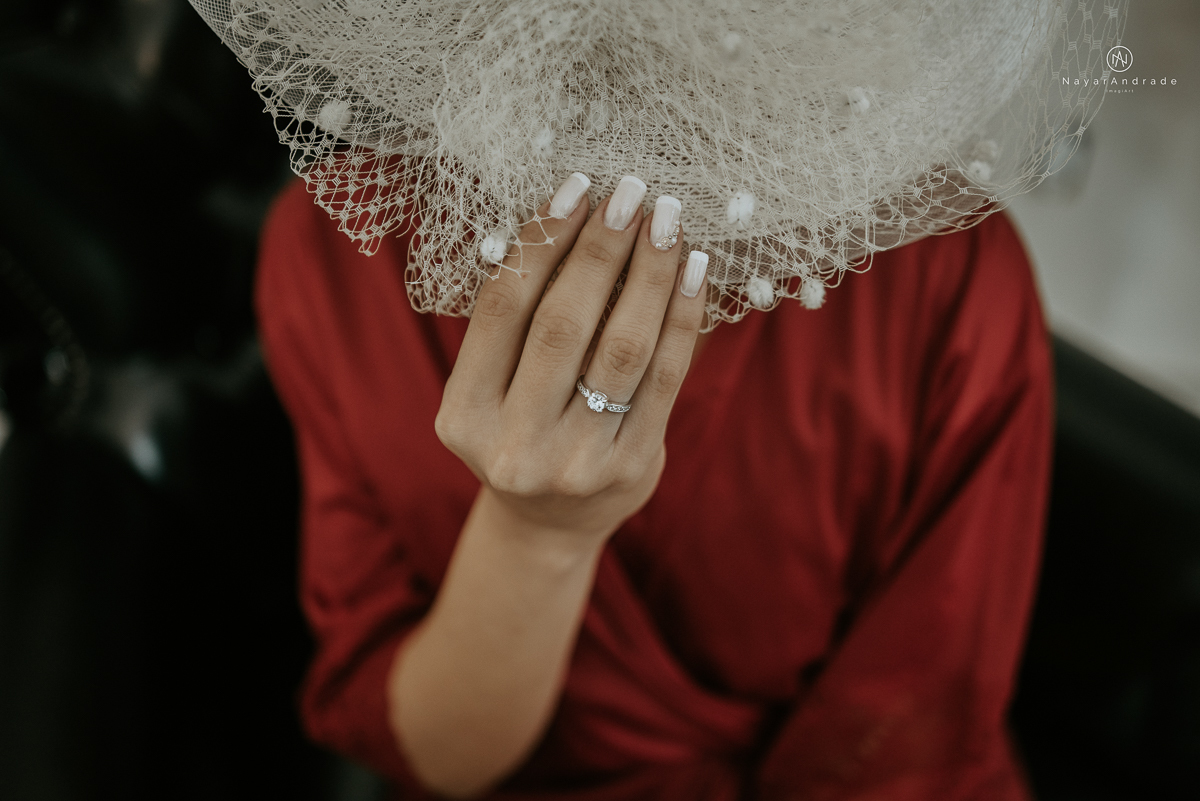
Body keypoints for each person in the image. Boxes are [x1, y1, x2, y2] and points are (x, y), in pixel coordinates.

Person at [189, 1, 1124, 797]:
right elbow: (429, 747)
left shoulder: (945, 279)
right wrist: (536, 537)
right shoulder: (341, 253)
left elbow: (909, 750)